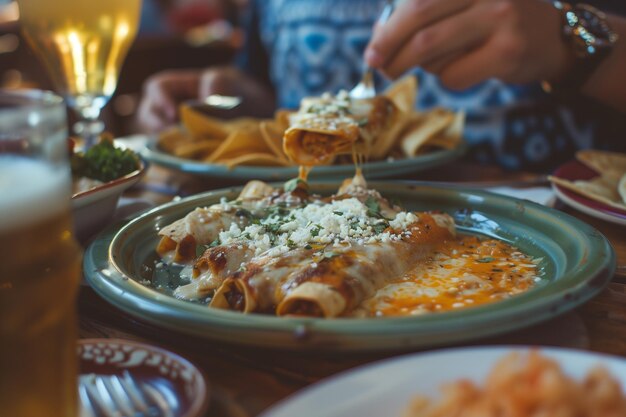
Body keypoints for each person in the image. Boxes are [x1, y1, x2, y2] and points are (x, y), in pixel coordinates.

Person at [138, 0, 626, 172]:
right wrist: (226, 96)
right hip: (307, 246)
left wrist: (571, 39)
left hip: (560, 253)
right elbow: (277, 92)